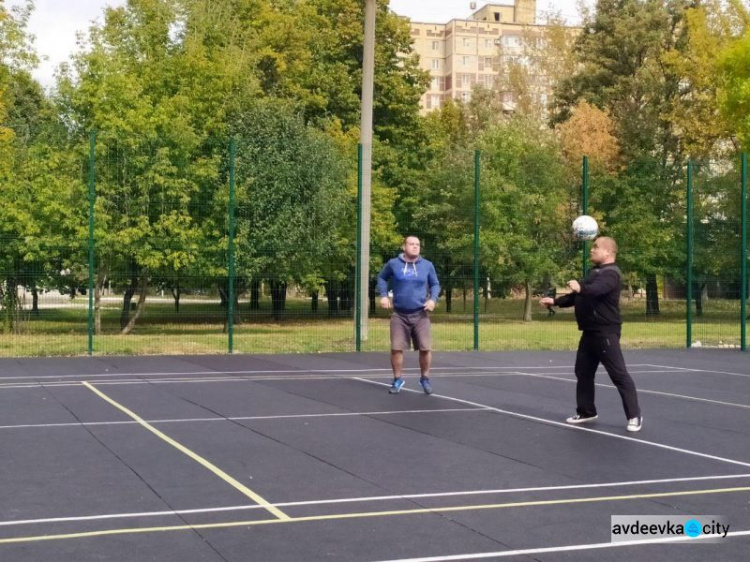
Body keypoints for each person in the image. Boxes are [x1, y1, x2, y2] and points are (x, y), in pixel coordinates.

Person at [540, 236, 643, 432]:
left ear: (608, 252)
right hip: (588, 333)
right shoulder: (594, 272)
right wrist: (555, 302)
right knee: (583, 372)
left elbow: (594, 291)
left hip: (606, 332)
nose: (592, 250)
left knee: (618, 374)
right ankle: (587, 411)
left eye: (596, 247)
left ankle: (634, 415)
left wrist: (581, 287)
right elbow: (579, 295)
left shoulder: (611, 274)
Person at [377, 236, 440, 395]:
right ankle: (397, 379)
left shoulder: (427, 265)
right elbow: (382, 277)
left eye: (417, 244)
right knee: (396, 348)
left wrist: (432, 300)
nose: (415, 247)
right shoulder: (393, 264)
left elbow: (435, 284)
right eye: (411, 244)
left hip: (421, 314)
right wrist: (383, 295)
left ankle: (425, 379)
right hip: (399, 314)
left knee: (425, 349)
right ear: (403, 247)